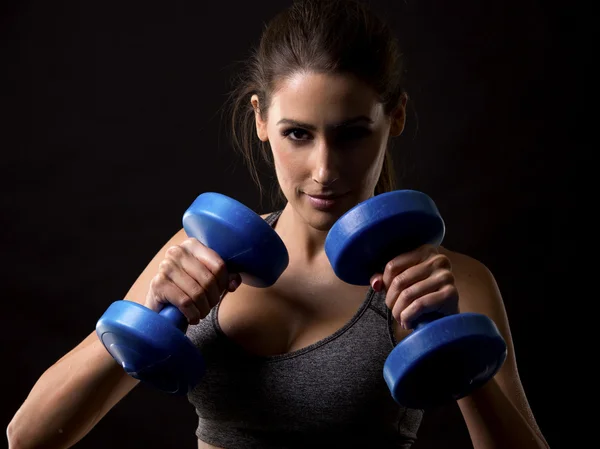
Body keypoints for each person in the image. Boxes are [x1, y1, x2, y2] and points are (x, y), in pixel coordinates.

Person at [7, 0, 550, 448]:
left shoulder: (446, 283)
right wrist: (140, 316)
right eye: (298, 134)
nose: (324, 170)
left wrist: (452, 350)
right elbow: (28, 438)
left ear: (397, 116)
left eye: (352, 133)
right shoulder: (199, 256)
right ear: (261, 120)